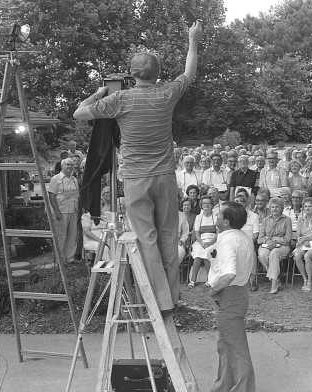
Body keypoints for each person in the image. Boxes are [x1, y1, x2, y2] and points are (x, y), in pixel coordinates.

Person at [72, 21, 203, 311]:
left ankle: (157, 300)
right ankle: (172, 298)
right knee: (169, 236)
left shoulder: (119, 99)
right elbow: (189, 73)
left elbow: (78, 113)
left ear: (132, 75)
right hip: (165, 178)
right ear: (157, 74)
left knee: (147, 239)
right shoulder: (167, 93)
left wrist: (99, 93)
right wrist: (192, 39)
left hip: (135, 180)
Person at [208, 201, 256, 392]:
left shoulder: (228, 240)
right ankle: (223, 386)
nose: (216, 217)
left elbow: (229, 274)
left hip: (230, 295)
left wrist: (213, 290)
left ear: (226, 221)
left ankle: (243, 388)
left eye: (219, 215)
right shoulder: (242, 236)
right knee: (226, 346)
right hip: (238, 293)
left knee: (236, 348)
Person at [48, 158, 80, 264]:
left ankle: (70, 258)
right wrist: (56, 212)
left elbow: (77, 195)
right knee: (61, 236)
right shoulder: (55, 179)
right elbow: (51, 196)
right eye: (67, 164)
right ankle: (59, 260)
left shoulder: (74, 179)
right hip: (61, 212)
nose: (70, 167)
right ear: (62, 166)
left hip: (73, 211)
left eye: (72, 165)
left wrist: (79, 209)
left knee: (72, 235)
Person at [257, 197, 292, 294]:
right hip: (267, 245)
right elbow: (260, 239)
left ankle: (273, 283)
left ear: (282, 208)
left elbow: (287, 239)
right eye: (272, 207)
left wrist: (275, 240)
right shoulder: (265, 220)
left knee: (274, 253)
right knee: (262, 255)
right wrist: (268, 241)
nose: (274, 209)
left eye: (277, 207)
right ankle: (276, 278)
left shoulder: (287, 220)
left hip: (282, 246)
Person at [190, 195, 217, 288]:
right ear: (201, 205)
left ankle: (210, 280)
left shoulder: (216, 216)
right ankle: (192, 280)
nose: (206, 205)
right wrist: (201, 243)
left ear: (212, 205)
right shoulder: (198, 217)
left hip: (213, 240)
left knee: (207, 252)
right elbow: (197, 233)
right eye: (204, 203)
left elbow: (218, 233)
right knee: (198, 253)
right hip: (201, 240)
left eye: (208, 203)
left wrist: (210, 243)